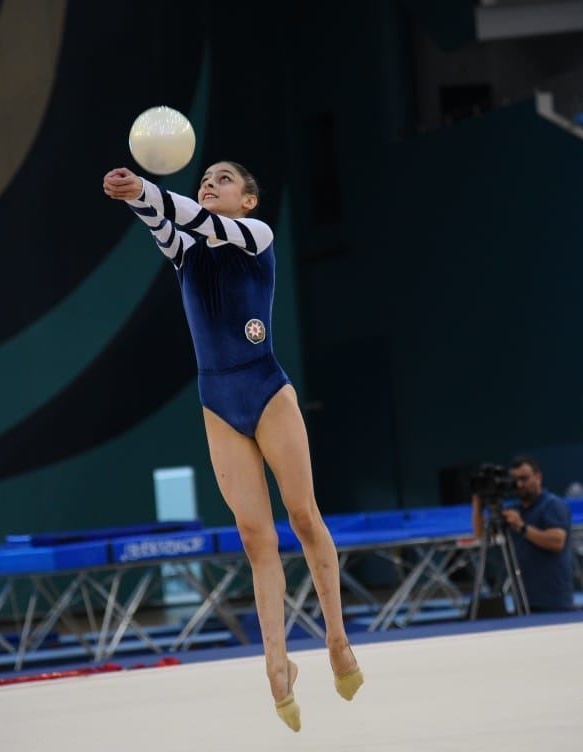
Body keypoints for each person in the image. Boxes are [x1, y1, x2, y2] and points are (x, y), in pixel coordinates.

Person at [102, 162, 362, 732]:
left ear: (248, 200)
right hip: (218, 403)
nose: (209, 184)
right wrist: (133, 194)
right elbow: (162, 218)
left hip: (268, 392)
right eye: (205, 179)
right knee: (254, 537)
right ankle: (276, 665)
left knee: (303, 516)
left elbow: (186, 212)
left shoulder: (257, 237)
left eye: (223, 179)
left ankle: (338, 641)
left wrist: (147, 190)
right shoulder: (184, 250)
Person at [472, 455, 574, 613]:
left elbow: (557, 542)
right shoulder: (514, 511)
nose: (519, 484)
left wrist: (521, 527)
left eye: (524, 479)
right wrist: (478, 505)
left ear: (538, 477)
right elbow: (481, 536)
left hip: (553, 600)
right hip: (523, 600)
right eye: (515, 480)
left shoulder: (552, 505)